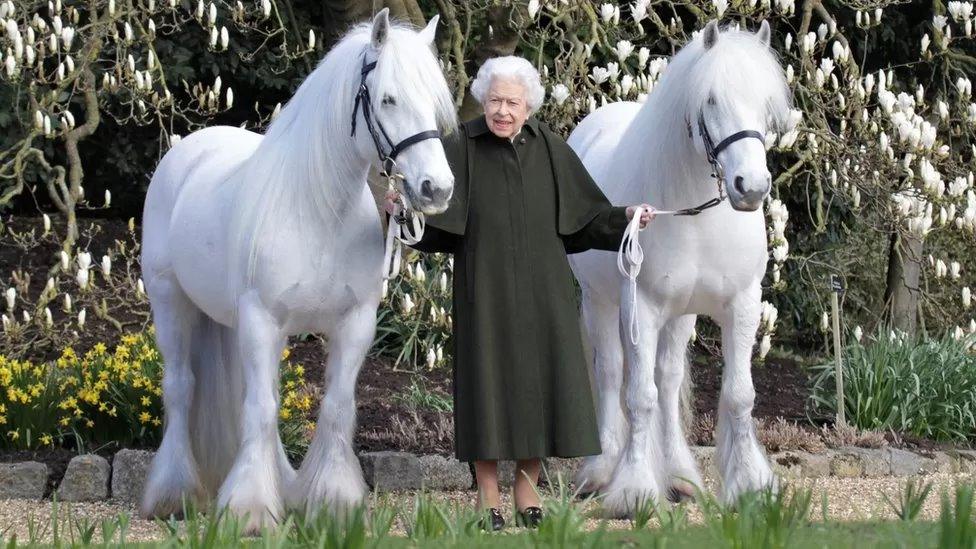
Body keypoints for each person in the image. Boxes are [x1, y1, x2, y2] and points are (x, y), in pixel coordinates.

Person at [384, 56, 654, 531]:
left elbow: (586, 219)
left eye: (511, 102)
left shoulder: (550, 148)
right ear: (482, 102)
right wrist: (402, 213)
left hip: (544, 290)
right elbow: (435, 226)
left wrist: (628, 216)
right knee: (485, 386)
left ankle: (526, 486)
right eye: (493, 101)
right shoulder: (461, 146)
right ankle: (488, 493)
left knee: (541, 387)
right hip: (481, 289)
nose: (502, 111)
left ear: (528, 105)